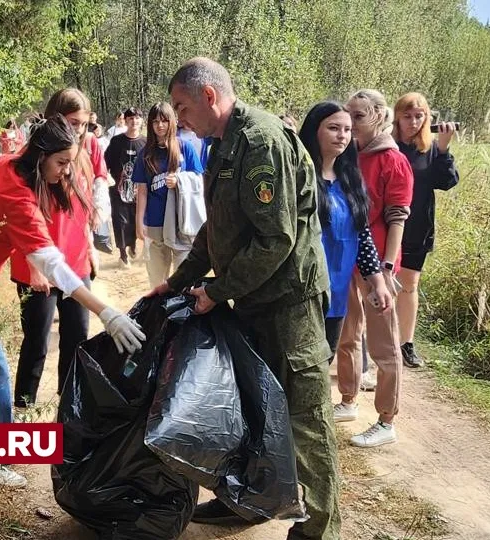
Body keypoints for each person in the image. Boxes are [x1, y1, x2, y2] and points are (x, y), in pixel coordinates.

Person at [157, 56, 340, 540]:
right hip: (254, 302)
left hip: (289, 306)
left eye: (182, 106)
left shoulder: (260, 141)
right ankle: (247, 504)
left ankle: (319, 530)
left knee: (303, 422)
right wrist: (178, 281)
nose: (179, 118)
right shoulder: (222, 145)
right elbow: (215, 231)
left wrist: (215, 292)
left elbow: (274, 240)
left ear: (209, 96)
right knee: (255, 411)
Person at [0, 116, 146, 486]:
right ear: (40, 156)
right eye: (61, 164)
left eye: (70, 163)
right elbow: (53, 266)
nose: (66, 173)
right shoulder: (18, 198)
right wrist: (106, 312)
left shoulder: (3, 163)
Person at [9, 89, 99, 408]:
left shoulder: (83, 155)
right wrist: (35, 267)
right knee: (37, 342)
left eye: (84, 124)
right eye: (73, 122)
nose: (78, 130)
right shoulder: (33, 158)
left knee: (77, 340)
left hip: (75, 265)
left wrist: (88, 248)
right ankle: (23, 407)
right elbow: (22, 216)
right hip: (37, 266)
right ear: (54, 117)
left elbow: (83, 212)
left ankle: (68, 408)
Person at [334, 89, 414, 448]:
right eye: (348, 115)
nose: (351, 122)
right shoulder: (350, 157)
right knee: (348, 334)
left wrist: (386, 267)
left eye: (359, 116)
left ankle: (386, 420)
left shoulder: (393, 161)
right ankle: (348, 400)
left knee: (383, 344)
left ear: (380, 117)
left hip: (378, 266)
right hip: (349, 260)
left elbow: (397, 217)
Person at [299, 102, 393, 359]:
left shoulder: (350, 180)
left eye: (347, 129)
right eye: (333, 128)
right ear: (314, 130)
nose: (342, 135)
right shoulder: (297, 176)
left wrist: (378, 283)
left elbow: (362, 236)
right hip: (299, 294)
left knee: (324, 358)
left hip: (336, 292)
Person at [393, 92, 459, 368]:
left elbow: (447, 182)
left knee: (409, 286)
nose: (413, 121)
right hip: (385, 225)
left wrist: (443, 149)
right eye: (407, 116)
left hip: (417, 227)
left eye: (419, 116)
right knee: (377, 285)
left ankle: (406, 344)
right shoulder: (387, 145)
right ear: (397, 117)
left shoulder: (430, 148)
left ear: (427, 117)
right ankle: (371, 345)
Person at [134, 102, 204, 287]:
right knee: (157, 277)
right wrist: (139, 221)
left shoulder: (185, 147)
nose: (160, 125)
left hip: (181, 220)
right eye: (155, 121)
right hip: (155, 221)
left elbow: (199, 180)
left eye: (164, 120)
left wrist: (180, 180)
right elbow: (142, 190)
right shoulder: (145, 154)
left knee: (183, 275)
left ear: (172, 122)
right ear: (150, 124)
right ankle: (159, 313)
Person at [104, 107, 145, 265]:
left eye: (137, 118)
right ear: (125, 121)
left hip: (138, 191)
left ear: (141, 121)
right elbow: (105, 162)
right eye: (130, 118)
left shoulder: (145, 143)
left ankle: (132, 245)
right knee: (120, 220)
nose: (134, 121)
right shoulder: (116, 141)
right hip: (118, 189)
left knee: (135, 219)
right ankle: (123, 254)